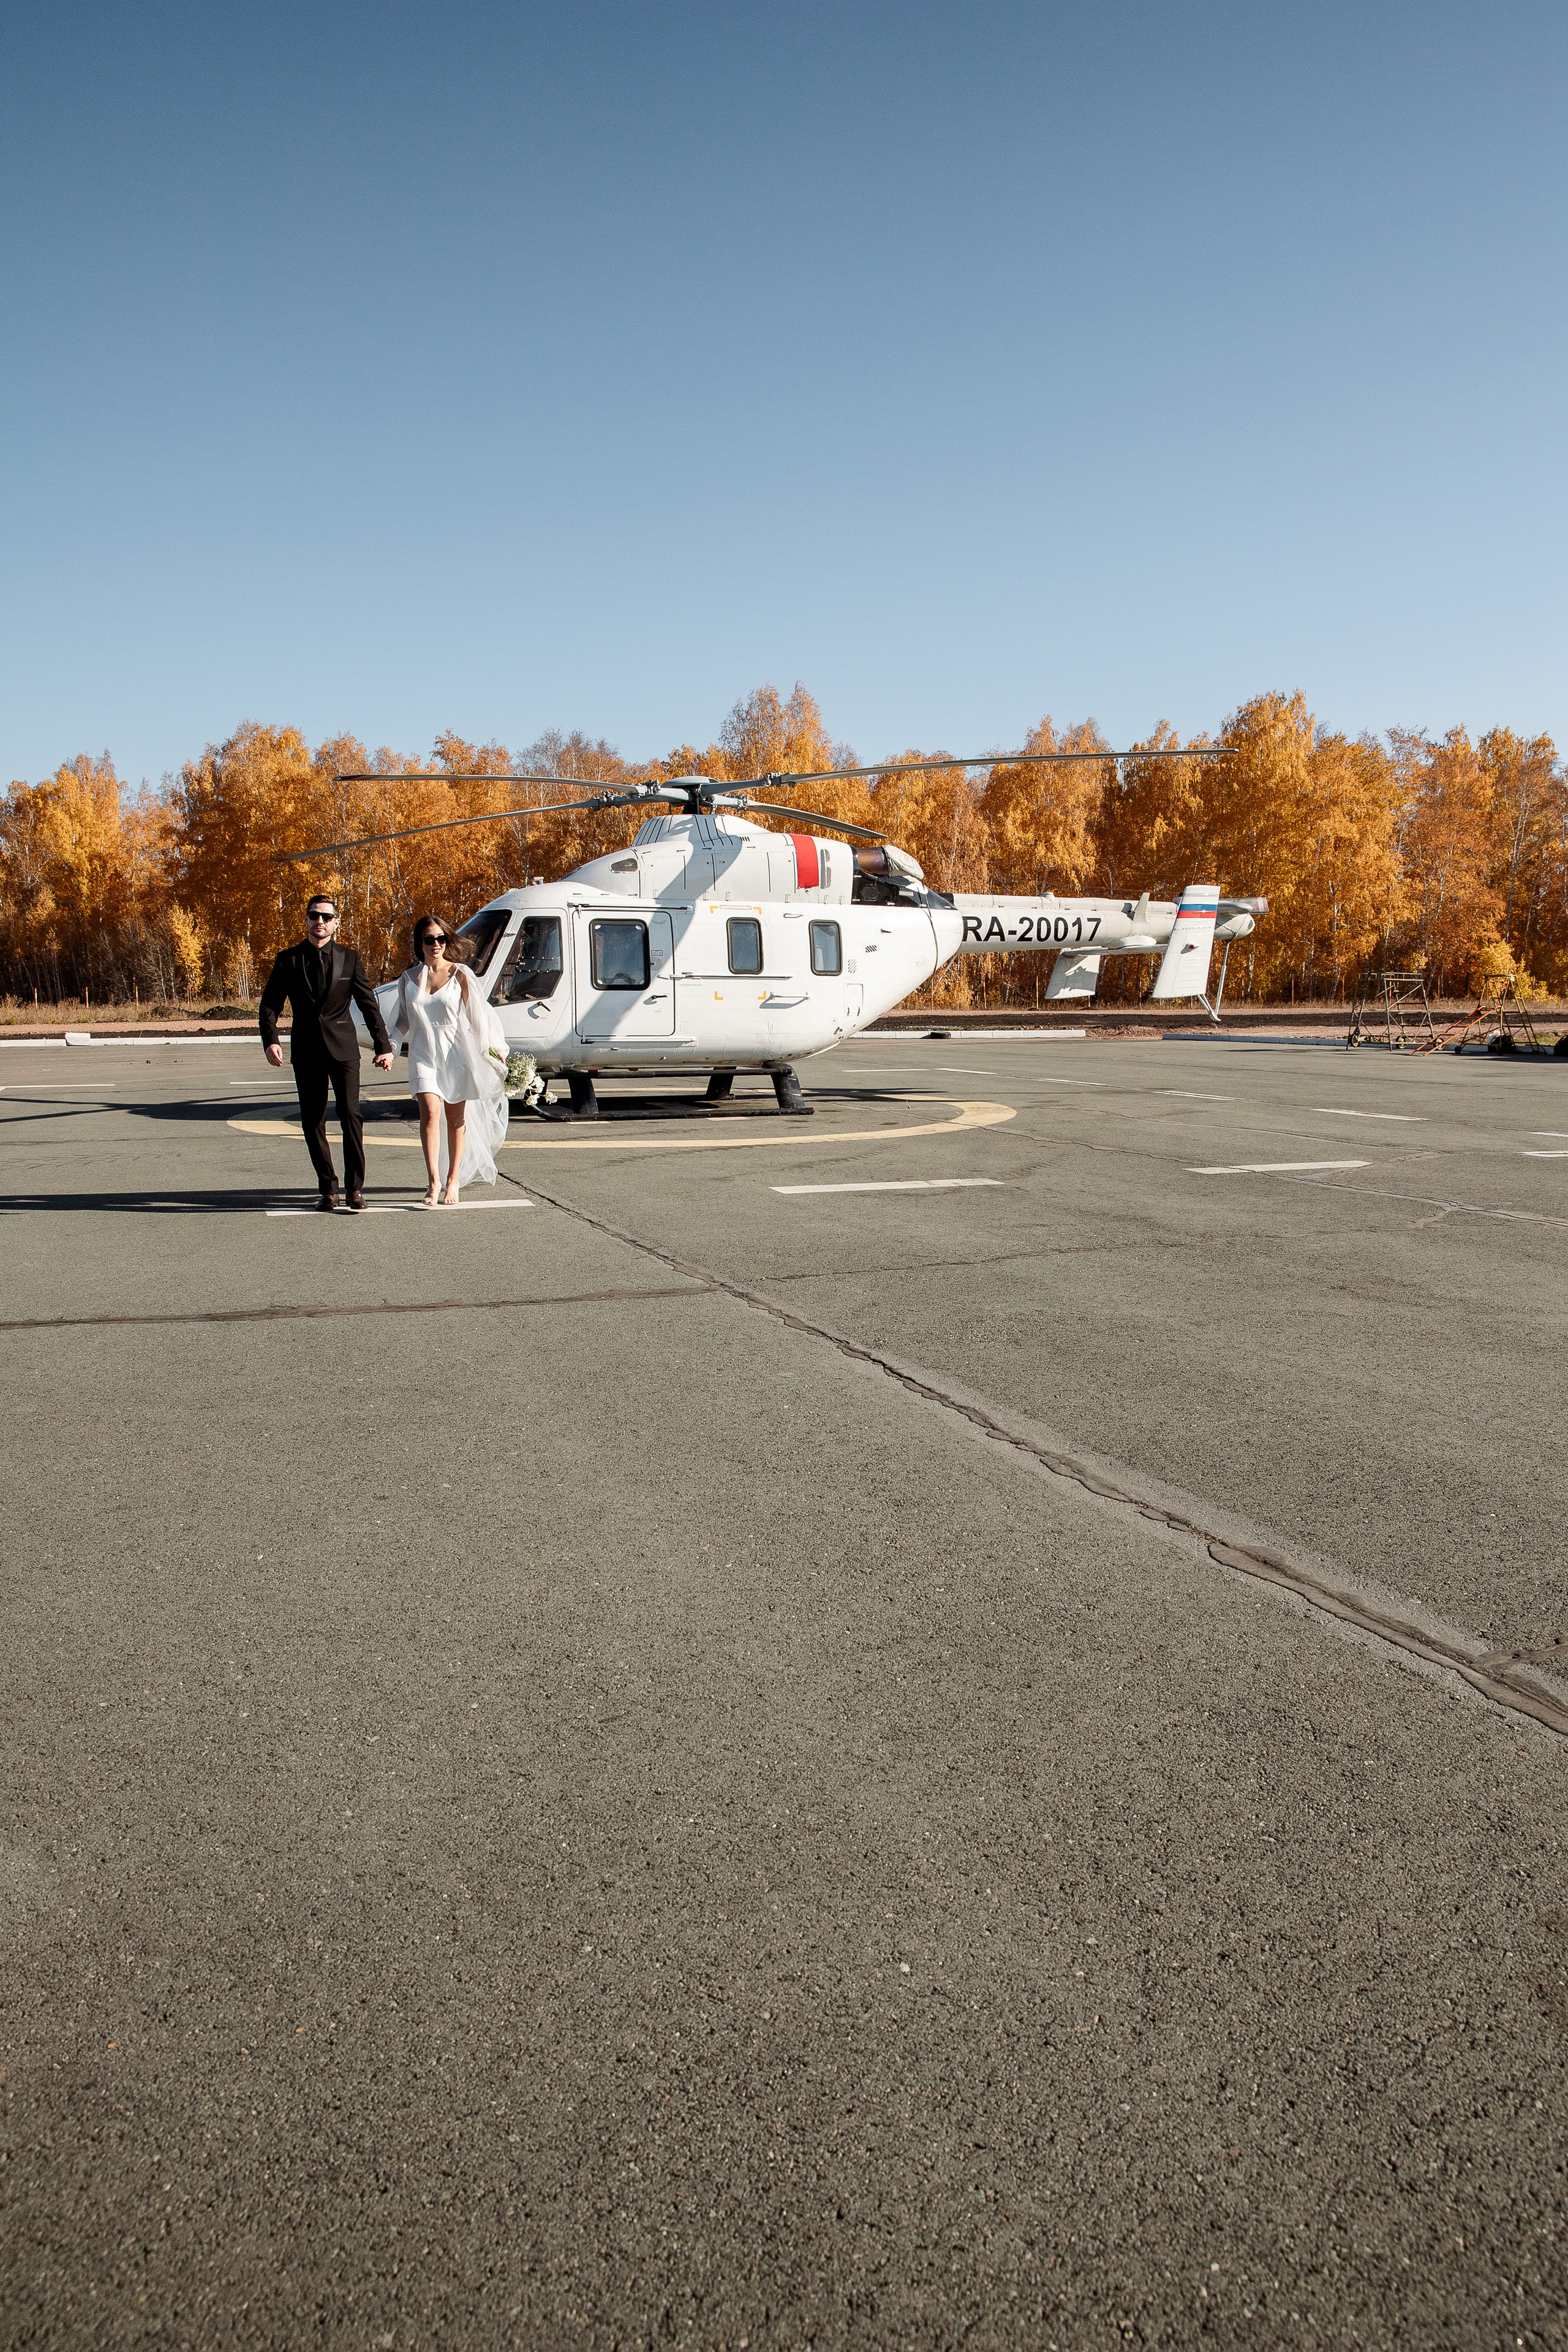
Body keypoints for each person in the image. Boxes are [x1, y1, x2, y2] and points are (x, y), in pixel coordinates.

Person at [258, 894, 394, 1211]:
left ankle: (354, 1189)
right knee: (313, 1121)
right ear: (306, 920)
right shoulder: (287, 960)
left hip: (344, 1049)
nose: (320, 921)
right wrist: (271, 1039)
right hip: (306, 1050)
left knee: (350, 1116)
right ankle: (328, 1189)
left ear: (336, 922)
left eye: (326, 917)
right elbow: (270, 1004)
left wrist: (383, 1046)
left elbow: (368, 1004)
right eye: (314, 916)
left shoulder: (350, 958)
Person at [384, 913, 509, 1207]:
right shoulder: (408, 978)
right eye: (430, 940)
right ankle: (434, 1182)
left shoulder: (461, 974)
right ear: (421, 944)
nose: (436, 944)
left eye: (441, 939)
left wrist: (493, 1050)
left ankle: (453, 1181)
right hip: (422, 1054)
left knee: (456, 1119)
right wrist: (389, 1047)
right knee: (429, 1113)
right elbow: (401, 1021)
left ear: (447, 941)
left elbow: (479, 1018)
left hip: (456, 1053)